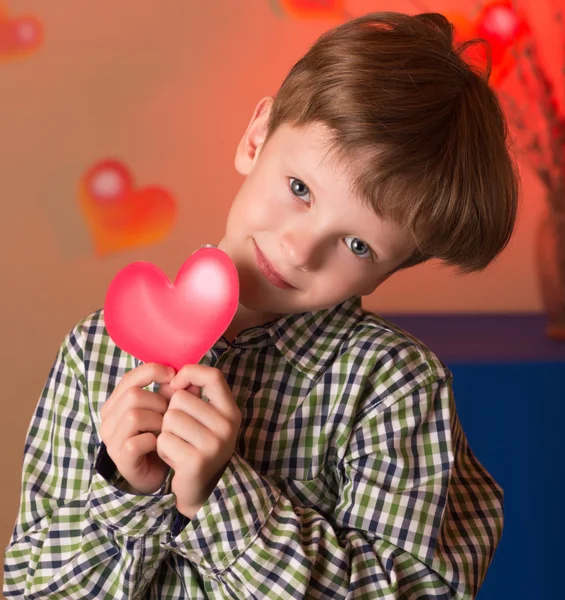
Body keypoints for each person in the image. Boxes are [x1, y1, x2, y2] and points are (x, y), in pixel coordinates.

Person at [3, 11, 519, 599]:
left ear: (390, 269)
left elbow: (417, 591)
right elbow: (29, 587)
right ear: (256, 137)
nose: (299, 249)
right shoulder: (97, 352)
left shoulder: (394, 388)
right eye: (299, 189)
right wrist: (126, 491)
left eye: (356, 245)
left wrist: (218, 500)